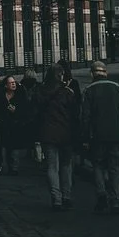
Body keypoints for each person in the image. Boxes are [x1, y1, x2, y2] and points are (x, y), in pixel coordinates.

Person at [81, 60, 119, 215]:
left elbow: (84, 117)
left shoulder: (88, 90)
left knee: (98, 166)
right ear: (106, 73)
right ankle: (115, 201)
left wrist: (85, 138)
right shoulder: (118, 88)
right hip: (117, 136)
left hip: (97, 136)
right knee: (115, 169)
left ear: (92, 74)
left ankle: (101, 194)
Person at [38, 66, 79, 210]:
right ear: (60, 76)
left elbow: (37, 112)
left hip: (48, 134)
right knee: (66, 166)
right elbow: (75, 114)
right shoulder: (67, 93)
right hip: (66, 134)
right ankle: (66, 196)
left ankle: (56, 199)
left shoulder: (41, 92)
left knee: (52, 167)